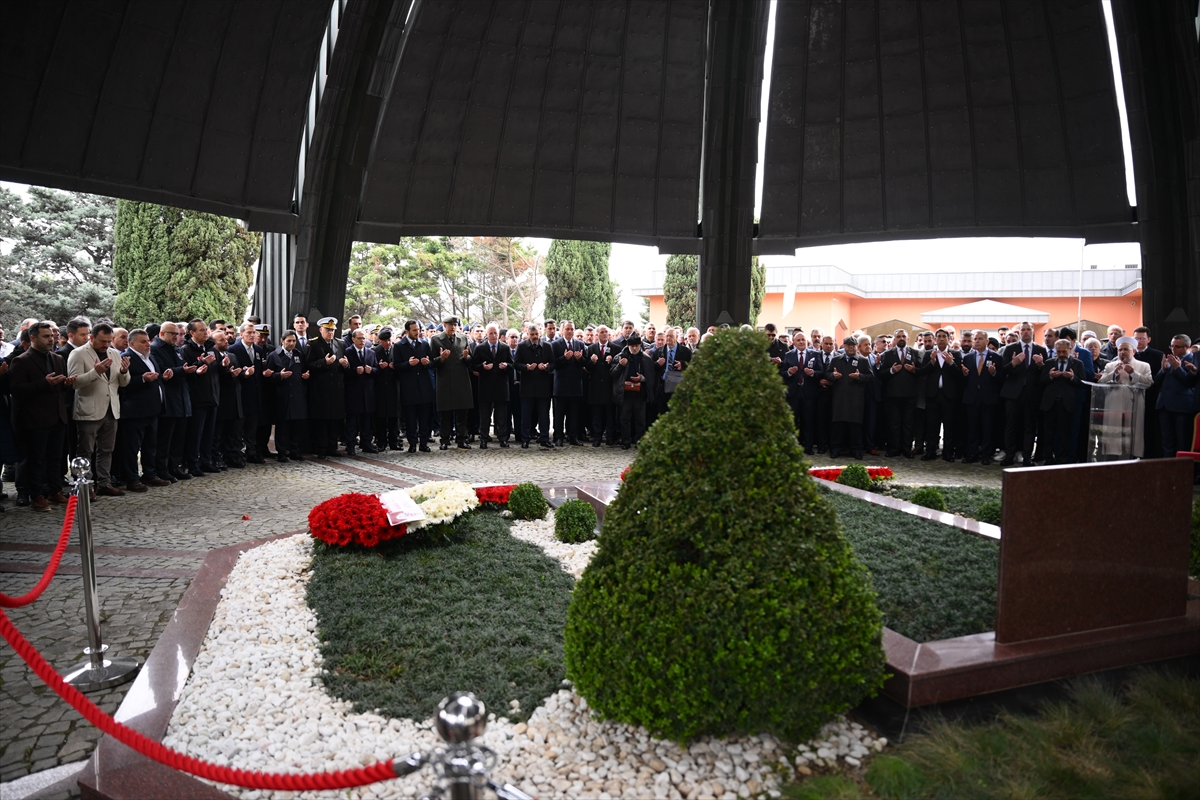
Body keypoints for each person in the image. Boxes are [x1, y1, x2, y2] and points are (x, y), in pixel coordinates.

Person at [8, 321, 74, 511]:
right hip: (34, 418)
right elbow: (16, 388)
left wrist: (67, 383)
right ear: (33, 338)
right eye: (46, 336)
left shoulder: (58, 358)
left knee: (56, 458)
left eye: (52, 336)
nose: (51, 340)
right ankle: (36, 495)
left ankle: (54, 491)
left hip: (57, 416)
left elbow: (59, 387)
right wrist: (44, 383)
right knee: (36, 459)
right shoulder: (21, 360)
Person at [67, 322, 131, 495]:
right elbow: (75, 383)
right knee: (85, 451)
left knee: (107, 450)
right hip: (88, 410)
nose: (106, 345)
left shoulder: (114, 353)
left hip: (111, 409)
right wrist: (95, 372)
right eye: (103, 341)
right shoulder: (78, 353)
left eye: (109, 341)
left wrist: (124, 372)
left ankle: (104, 483)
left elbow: (122, 383)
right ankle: (85, 486)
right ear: (92, 337)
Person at [118, 329, 166, 490]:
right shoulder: (126, 358)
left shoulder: (150, 357)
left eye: (148, 341)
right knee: (132, 447)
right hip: (135, 411)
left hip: (153, 410)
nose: (148, 344)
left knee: (150, 445)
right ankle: (131, 478)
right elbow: (122, 384)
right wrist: (142, 379)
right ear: (132, 344)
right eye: (143, 342)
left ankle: (149, 474)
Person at [999, 322, 1047, 467]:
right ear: (1019, 332)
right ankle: (1009, 456)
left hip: (1032, 395)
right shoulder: (1009, 348)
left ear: (1033, 331)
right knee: (1010, 426)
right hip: (1013, 394)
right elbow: (1003, 370)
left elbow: (1044, 374)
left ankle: (1027, 458)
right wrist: (1013, 363)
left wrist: (1041, 365)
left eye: (1028, 329)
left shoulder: (1041, 349)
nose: (1026, 332)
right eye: (1023, 330)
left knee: (1029, 427)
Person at [180, 320, 222, 475]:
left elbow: (217, 371)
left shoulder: (211, 348)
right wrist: (200, 364)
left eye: (206, 330)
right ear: (192, 333)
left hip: (212, 397)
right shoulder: (186, 349)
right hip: (197, 399)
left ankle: (206, 461)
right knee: (195, 434)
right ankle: (193, 463)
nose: (206, 333)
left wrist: (224, 366)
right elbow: (186, 371)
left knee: (209, 434)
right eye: (201, 330)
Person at [150, 322, 190, 481]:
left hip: (181, 398)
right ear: (161, 334)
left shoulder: (176, 349)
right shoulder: (155, 349)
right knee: (165, 438)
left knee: (178, 438)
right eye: (172, 333)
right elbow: (161, 370)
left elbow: (181, 367)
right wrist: (182, 370)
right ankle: (162, 468)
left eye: (178, 334)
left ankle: (174, 467)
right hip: (168, 400)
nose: (176, 336)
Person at [306, 317, 348, 459]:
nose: (330, 332)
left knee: (335, 420)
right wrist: (324, 362)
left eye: (332, 330)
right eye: (328, 330)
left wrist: (346, 365)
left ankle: (332, 447)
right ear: (321, 330)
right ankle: (321, 448)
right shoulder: (314, 344)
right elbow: (309, 365)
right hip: (321, 389)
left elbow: (345, 365)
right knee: (322, 421)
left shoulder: (340, 344)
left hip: (336, 389)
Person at [429, 316, 474, 450]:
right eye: (450, 325)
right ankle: (445, 439)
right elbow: (431, 362)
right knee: (445, 414)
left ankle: (462, 439)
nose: (453, 327)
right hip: (445, 380)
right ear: (444, 325)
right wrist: (441, 358)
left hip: (461, 380)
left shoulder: (463, 338)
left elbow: (470, 359)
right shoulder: (436, 340)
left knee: (462, 413)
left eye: (455, 325)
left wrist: (466, 357)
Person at [825, 335, 873, 459]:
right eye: (848, 345)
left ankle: (856, 450)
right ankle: (835, 449)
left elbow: (870, 376)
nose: (851, 347)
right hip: (839, 398)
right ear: (844, 346)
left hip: (855, 399)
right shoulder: (836, 360)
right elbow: (827, 374)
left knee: (855, 425)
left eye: (853, 345)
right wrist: (833, 375)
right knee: (837, 425)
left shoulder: (863, 360)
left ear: (857, 346)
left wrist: (859, 377)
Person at [959, 331, 1004, 464]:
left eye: (980, 339)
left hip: (988, 398)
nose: (977, 341)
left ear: (987, 341)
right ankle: (972, 453)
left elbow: (1002, 378)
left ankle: (986, 455)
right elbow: (963, 380)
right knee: (972, 427)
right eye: (975, 339)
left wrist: (994, 373)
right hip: (972, 397)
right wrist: (964, 374)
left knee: (987, 427)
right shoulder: (968, 357)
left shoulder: (996, 357)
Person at [265, 330, 309, 461]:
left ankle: (295, 451)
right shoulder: (274, 356)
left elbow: (304, 370)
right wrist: (279, 375)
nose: (291, 343)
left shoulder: (299, 354)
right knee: (282, 427)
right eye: (289, 341)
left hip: (297, 395)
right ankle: (282, 452)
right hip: (282, 396)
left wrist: (306, 375)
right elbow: (268, 377)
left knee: (296, 426)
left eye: (294, 341)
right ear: (282, 341)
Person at [919, 329, 962, 461]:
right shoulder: (929, 353)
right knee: (932, 425)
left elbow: (959, 374)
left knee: (949, 426)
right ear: (935, 339)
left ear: (949, 339)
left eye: (944, 336)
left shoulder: (955, 353)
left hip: (949, 395)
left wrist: (951, 363)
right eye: (939, 336)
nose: (942, 339)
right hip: (933, 394)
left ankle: (948, 452)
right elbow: (922, 372)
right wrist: (932, 362)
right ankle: (931, 451)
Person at [1039, 339, 1085, 465]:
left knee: (1065, 433)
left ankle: (1062, 459)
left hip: (1067, 403)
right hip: (1050, 403)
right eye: (1058, 351)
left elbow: (1082, 383)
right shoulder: (1049, 363)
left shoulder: (1077, 364)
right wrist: (1050, 376)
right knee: (1048, 433)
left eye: (1064, 351)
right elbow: (1041, 381)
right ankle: (1048, 459)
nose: (1061, 354)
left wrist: (1072, 377)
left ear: (1070, 350)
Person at [879, 329, 921, 457]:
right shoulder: (887, 354)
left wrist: (914, 370)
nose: (901, 338)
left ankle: (907, 449)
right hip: (893, 395)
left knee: (909, 423)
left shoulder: (915, 353)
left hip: (910, 395)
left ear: (907, 339)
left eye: (903, 336)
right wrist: (891, 370)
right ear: (895, 339)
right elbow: (881, 374)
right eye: (898, 336)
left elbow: (922, 372)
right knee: (894, 423)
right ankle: (894, 448)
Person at [1154, 334, 1199, 457]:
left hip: (1182, 406)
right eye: (1172, 346)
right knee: (1166, 441)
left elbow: (1190, 383)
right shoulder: (1170, 359)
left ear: (1187, 347)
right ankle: (1168, 466)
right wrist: (1163, 370)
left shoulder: (1194, 359)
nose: (1173, 349)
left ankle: (1183, 468)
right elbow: (1156, 382)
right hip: (1164, 405)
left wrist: (1178, 369)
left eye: (1177, 347)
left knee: (1183, 441)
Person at [395, 320, 434, 452]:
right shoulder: (399, 346)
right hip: (409, 388)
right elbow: (396, 366)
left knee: (424, 419)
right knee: (410, 419)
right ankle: (412, 444)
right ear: (407, 331)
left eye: (418, 330)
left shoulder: (424, 344)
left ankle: (423, 443)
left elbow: (432, 362)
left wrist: (427, 363)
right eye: (414, 330)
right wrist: (408, 364)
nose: (417, 332)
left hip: (424, 388)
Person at [611, 332, 655, 450]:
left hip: (640, 392)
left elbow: (651, 377)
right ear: (628, 346)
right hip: (625, 393)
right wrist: (620, 365)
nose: (634, 348)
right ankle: (626, 440)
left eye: (636, 346)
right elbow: (613, 374)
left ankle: (639, 440)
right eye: (632, 346)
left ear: (640, 345)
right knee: (624, 418)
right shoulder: (619, 357)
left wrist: (641, 378)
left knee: (640, 418)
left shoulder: (646, 358)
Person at [228, 322, 264, 463]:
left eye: (254, 332)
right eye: (249, 332)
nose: (252, 335)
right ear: (241, 334)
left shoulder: (258, 350)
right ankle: (237, 453)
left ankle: (251, 452)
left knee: (252, 426)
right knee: (238, 427)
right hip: (241, 394)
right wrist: (245, 374)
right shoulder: (233, 349)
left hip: (255, 394)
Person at [473, 323, 513, 448]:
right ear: (487, 335)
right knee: (485, 416)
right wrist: (482, 367)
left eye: (495, 333)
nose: (493, 335)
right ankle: (484, 439)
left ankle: (502, 438)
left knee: (501, 416)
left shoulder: (505, 347)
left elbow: (512, 365)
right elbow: (473, 366)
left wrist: (506, 366)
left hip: (501, 387)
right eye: (491, 333)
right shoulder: (480, 348)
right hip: (485, 387)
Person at [515, 323, 555, 449]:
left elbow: (553, 364)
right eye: (532, 334)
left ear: (540, 334)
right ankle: (525, 439)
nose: (535, 337)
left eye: (536, 334)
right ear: (528, 334)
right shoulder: (521, 346)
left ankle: (544, 439)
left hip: (543, 387)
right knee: (526, 416)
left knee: (544, 415)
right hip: (527, 387)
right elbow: (516, 364)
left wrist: (546, 367)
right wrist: (526, 367)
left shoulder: (547, 346)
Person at [213, 330, 246, 468]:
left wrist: (244, 373)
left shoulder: (231, 355)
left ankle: (232, 455)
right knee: (218, 433)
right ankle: (217, 458)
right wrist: (228, 373)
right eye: (221, 340)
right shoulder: (213, 356)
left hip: (234, 398)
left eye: (225, 339)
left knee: (233, 431)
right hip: (221, 399)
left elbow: (238, 373)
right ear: (214, 344)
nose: (226, 341)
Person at [343, 328, 378, 455]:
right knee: (352, 421)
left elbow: (377, 369)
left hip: (368, 393)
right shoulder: (347, 352)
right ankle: (350, 445)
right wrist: (354, 371)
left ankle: (366, 443)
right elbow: (343, 372)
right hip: (353, 392)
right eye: (359, 338)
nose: (362, 341)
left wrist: (372, 370)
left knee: (367, 421)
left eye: (363, 338)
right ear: (353, 339)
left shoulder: (371, 352)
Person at [551, 321, 587, 446]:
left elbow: (586, 363)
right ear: (562, 330)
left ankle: (573, 437)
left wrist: (580, 358)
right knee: (559, 414)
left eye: (572, 329)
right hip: (561, 385)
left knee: (574, 414)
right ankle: (558, 437)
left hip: (575, 385)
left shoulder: (580, 344)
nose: (570, 331)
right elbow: (552, 364)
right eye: (567, 329)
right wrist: (564, 358)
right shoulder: (555, 345)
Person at [586, 325, 618, 446]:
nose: (604, 334)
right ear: (597, 334)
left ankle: (610, 437)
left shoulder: (615, 348)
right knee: (596, 415)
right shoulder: (591, 348)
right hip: (595, 387)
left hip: (609, 386)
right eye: (602, 332)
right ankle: (597, 438)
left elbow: (619, 367)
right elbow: (587, 367)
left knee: (610, 415)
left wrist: (612, 361)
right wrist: (592, 362)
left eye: (606, 332)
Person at [372, 327, 402, 450]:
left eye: (389, 340)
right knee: (381, 417)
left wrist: (395, 367)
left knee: (394, 416)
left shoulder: (396, 349)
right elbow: (371, 369)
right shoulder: (374, 351)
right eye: (385, 341)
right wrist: (379, 367)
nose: (388, 343)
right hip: (380, 388)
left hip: (394, 387)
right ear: (380, 340)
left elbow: (402, 366)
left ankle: (394, 442)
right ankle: (381, 442)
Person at [653, 327, 691, 417]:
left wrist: (683, 365)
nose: (668, 338)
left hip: (678, 386)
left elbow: (692, 367)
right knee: (662, 413)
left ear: (676, 337)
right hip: (662, 386)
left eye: (671, 336)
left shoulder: (685, 352)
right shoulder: (659, 351)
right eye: (667, 336)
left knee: (676, 413)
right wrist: (657, 364)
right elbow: (651, 368)